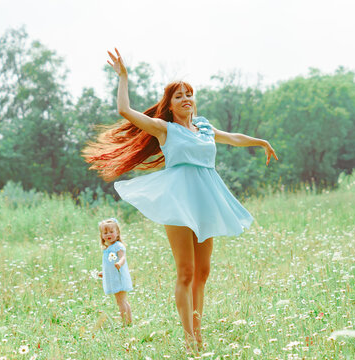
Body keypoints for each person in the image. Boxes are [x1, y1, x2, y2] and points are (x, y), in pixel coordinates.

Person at [84, 49, 278, 351]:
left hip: (206, 199)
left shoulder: (203, 127)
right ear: (170, 105)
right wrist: (123, 77)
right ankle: (189, 339)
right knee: (186, 271)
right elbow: (125, 110)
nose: (186, 99)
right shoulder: (165, 129)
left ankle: (199, 332)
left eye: (189, 94)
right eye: (179, 96)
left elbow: (233, 137)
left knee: (203, 271)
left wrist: (260, 141)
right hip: (177, 200)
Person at [98, 218, 133, 325]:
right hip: (113, 278)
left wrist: (119, 264)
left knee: (121, 301)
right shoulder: (108, 249)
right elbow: (109, 265)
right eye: (105, 233)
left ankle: (126, 322)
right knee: (121, 301)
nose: (108, 234)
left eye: (111, 232)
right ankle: (127, 321)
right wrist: (104, 272)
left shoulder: (118, 246)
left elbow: (122, 258)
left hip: (119, 277)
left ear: (117, 233)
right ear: (102, 236)